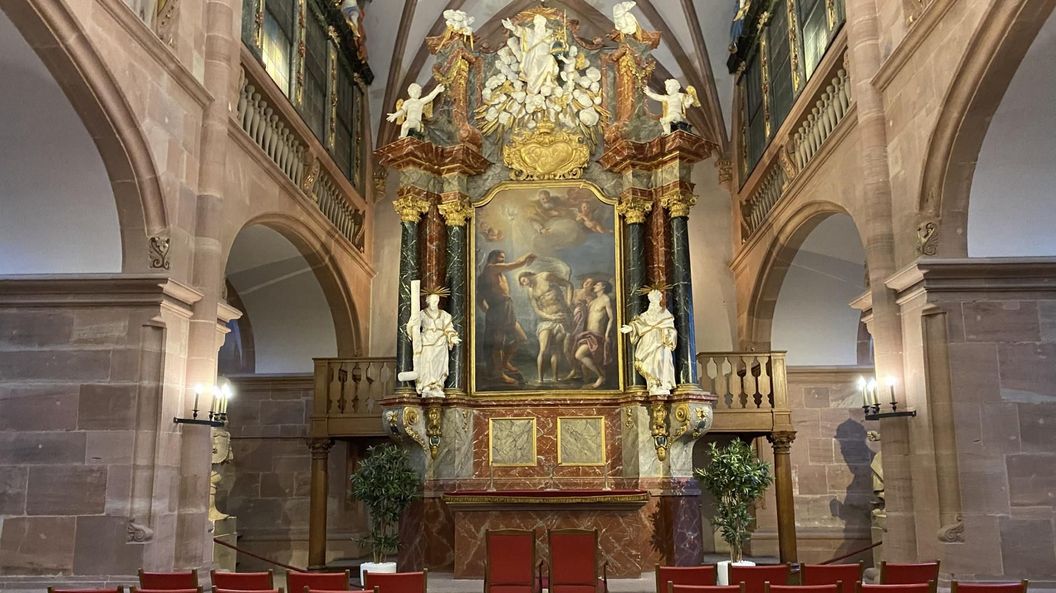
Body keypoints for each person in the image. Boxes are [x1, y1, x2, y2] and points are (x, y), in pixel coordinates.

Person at [478, 250, 536, 384]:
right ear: (492, 258)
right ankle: (500, 374)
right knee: (498, 344)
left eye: (503, 258)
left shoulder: (497, 273)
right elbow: (516, 264)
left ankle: (504, 362)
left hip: (505, 308)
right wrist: (528, 254)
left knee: (521, 338)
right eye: (500, 258)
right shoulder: (491, 269)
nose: (502, 261)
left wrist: (490, 311)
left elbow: (480, 299)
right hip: (498, 309)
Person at [517, 271, 574, 383]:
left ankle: (555, 378)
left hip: (562, 318)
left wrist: (568, 303)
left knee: (556, 350)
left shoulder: (545, 276)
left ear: (528, 275)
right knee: (543, 350)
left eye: (523, 280)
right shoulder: (530, 291)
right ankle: (540, 379)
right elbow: (537, 309)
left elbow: (568, 285)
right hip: (546, 321)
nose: (524, 284)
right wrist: (550, 317)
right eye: (522, 284)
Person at [621, 289, 677, 395]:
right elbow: (638, 323)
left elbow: (671, 328)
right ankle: (652, 383)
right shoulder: (646, 315)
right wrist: (631, 328)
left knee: (660, 359)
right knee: (647, 364)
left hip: (660, 342)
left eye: (655, 300)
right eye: (651, 301)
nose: (653, 303)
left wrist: (668, 335)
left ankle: (662, 383)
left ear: (659, 301)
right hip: (647, 342)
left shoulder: (666, 314)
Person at [406, 292, 460, 398]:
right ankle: (427, 384)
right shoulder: (422, 313)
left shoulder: (444, 314)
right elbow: (413, 326)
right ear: (428, 301)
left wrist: (452, 337)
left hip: (440, 342)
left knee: (439, 364)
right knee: (427, 362)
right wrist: (412, 326)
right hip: (427, 341)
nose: (436, 303)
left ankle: (437, 385)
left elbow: (449, 328)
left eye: (437, 301)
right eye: (433, 301)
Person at [572, 281, 615, 389]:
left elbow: (611, 318)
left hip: (597, 335)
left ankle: (601, 376)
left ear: (603, 287)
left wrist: (607, 334)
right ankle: (598, 377)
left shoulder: (606, 299)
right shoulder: (593, 301)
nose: (595, 286)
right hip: (588, 334)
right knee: (581, 356)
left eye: (597, 285)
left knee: (579, 355)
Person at [502, 14, 559, 96]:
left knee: (550, 58)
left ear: (544, 25)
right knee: (532, 86)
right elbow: (521, 32)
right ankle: (532, 95)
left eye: (540, 25)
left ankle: (548, 81)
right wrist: (512, 27)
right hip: (533, 60)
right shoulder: (531, 34)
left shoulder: (550, 36)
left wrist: (559, 40)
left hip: (543, 59)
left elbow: (557, 48)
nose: (538, 27)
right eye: (537, 25)